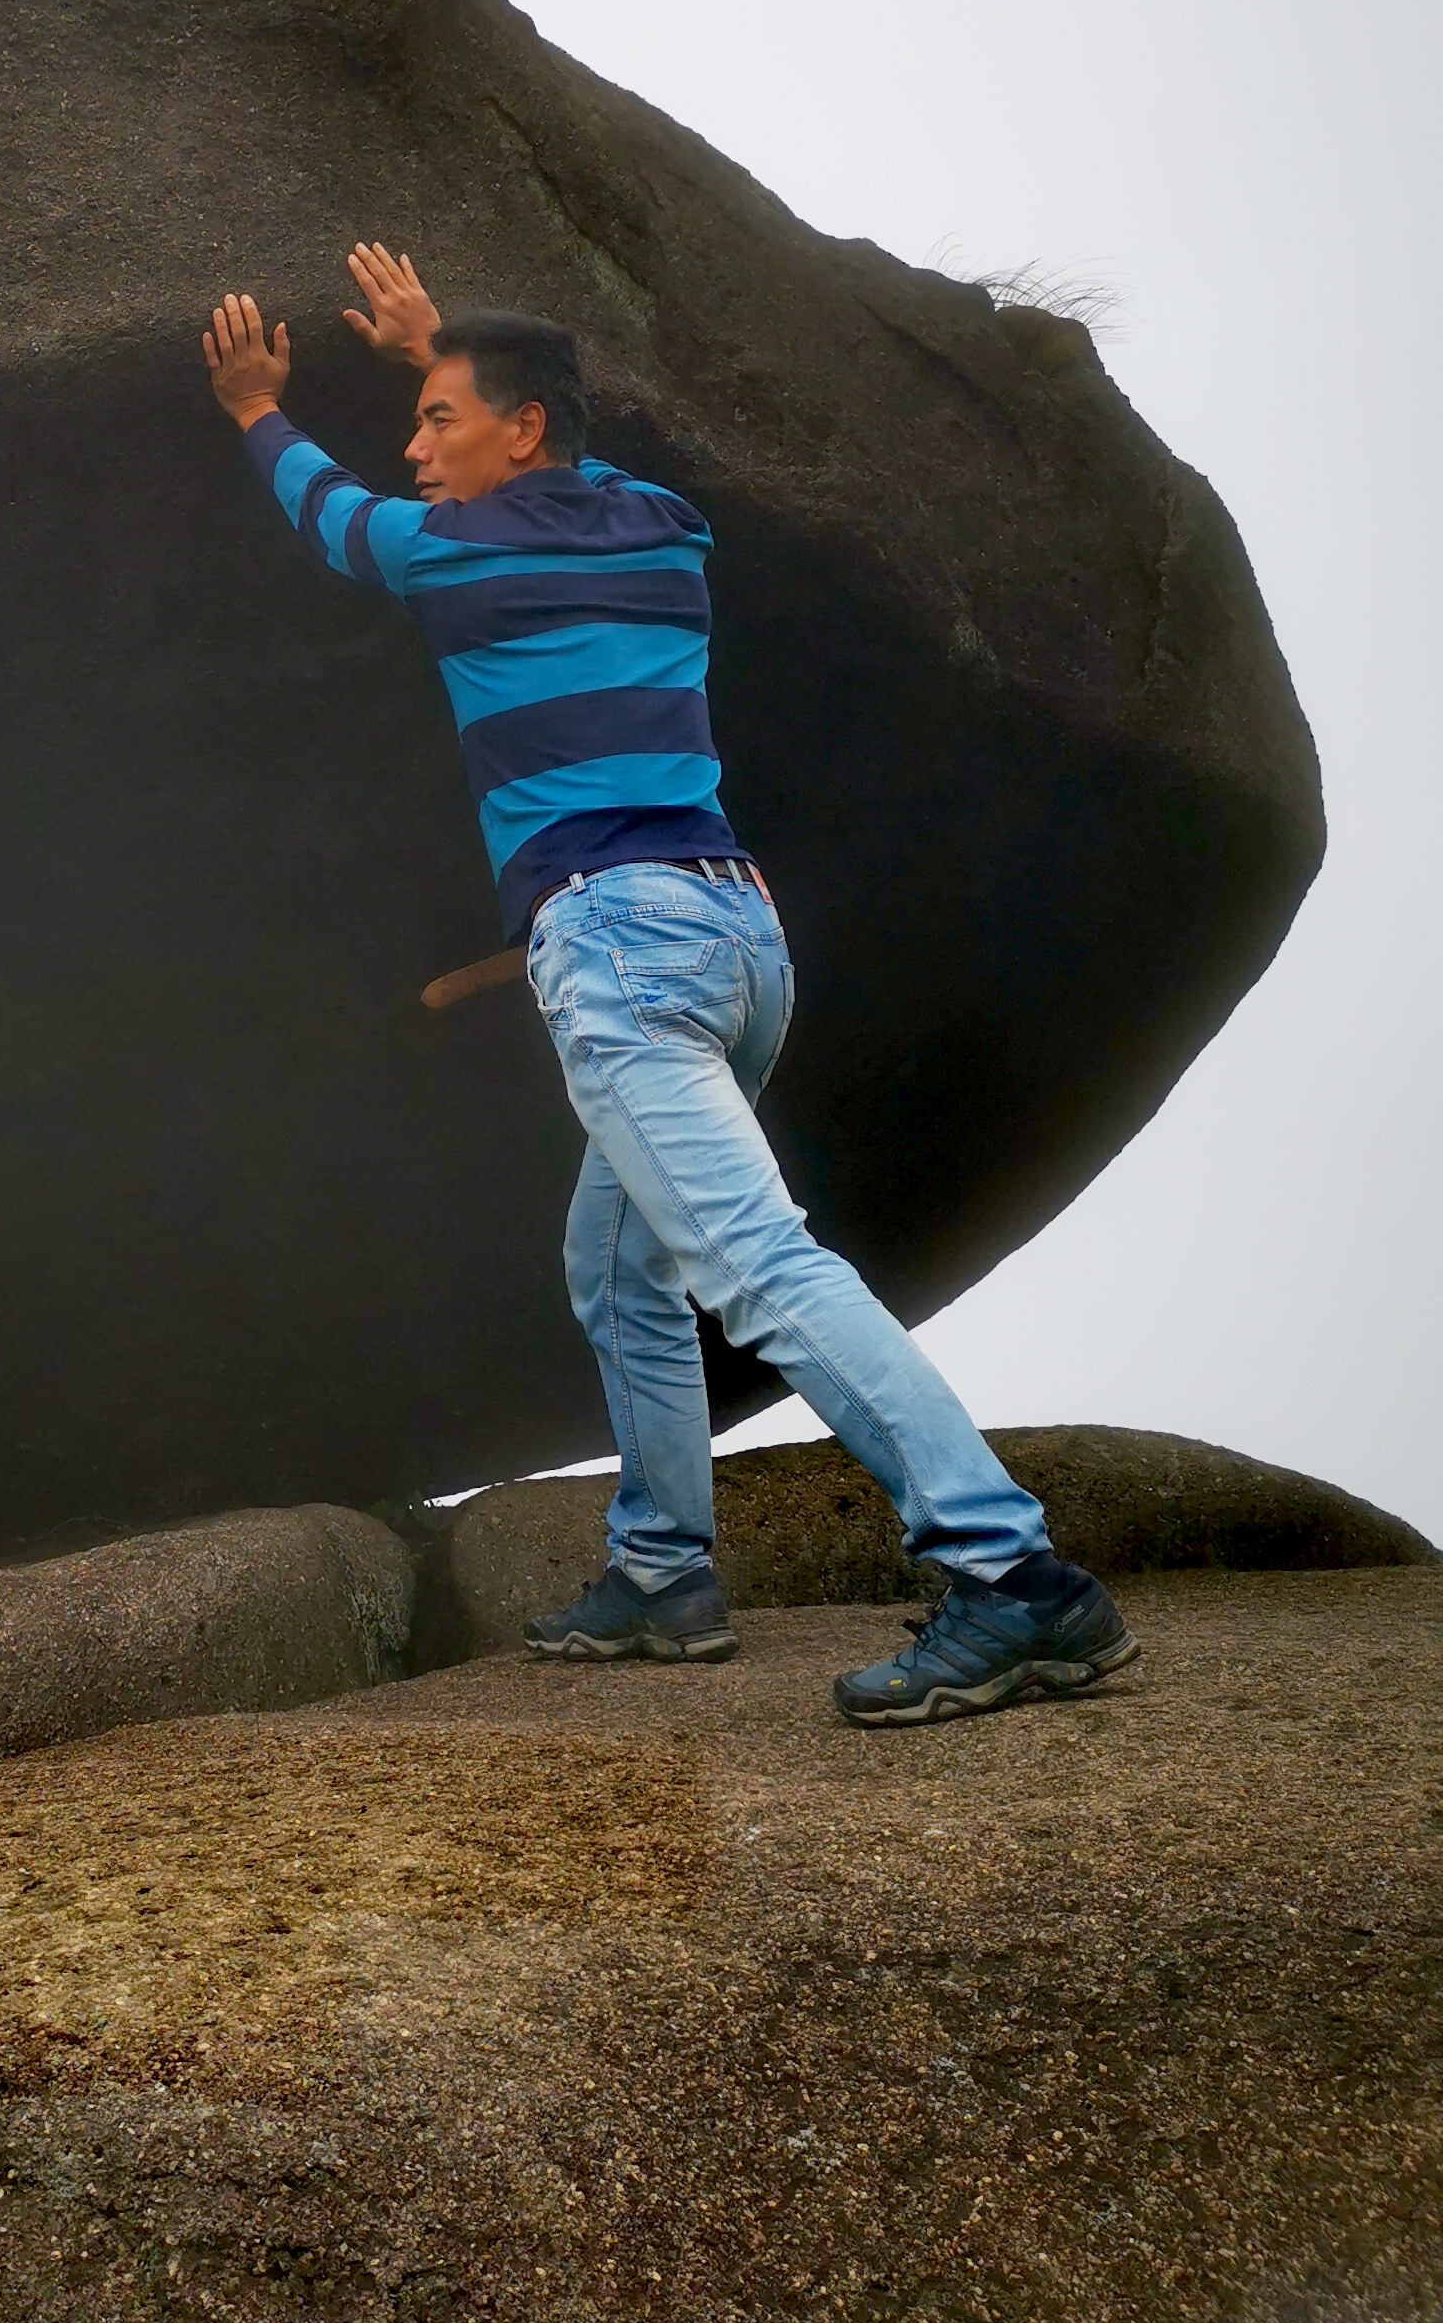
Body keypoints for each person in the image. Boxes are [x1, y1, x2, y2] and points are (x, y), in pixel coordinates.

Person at [201, 248, 1137, 1727]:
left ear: (521, 435)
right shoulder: (665, 530)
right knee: (621, 1267)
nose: (414, 442)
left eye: (439, 418)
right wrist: (442, 349)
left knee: (760, 1264)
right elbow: (542, 453)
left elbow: (331, 514)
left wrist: (258, 405)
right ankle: (661, 1575)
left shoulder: (454, 556)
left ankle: (1015, 1581)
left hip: (626, 951)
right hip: (738, 939)